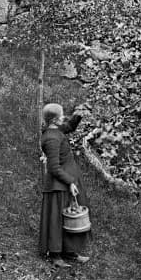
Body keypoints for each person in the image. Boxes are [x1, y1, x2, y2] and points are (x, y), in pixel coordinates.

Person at [39, 103, 90, 268]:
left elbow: (69, 127)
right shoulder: (52, 138)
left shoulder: (57, 130)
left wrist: (79, 114)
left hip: (65, 182)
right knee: (58, 219)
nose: (64, 117)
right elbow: (53, 168)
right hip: (58, 185)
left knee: (70, 218)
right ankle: (55, 255)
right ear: (55, 119)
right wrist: (69, 181)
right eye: (62, 115)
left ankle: (69, 252)